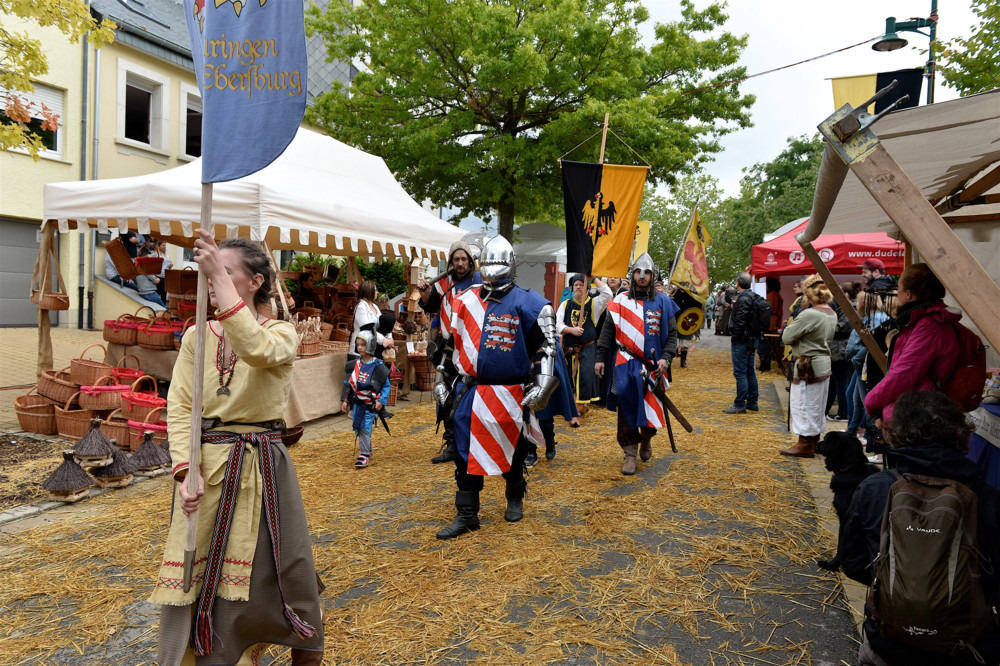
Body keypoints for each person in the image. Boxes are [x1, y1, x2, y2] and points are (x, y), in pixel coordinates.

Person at [151, 232, 323, 665]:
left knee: (281, 570)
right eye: (209, 274)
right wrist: (185, 470)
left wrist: (218, 281)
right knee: (201, 572)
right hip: (206, 468)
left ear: (255, 282)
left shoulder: (281, 333)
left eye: (226, 273)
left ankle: (292, 648)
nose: (212, 280)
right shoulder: (196, 337)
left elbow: (257, 350)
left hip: (262, 468)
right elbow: (181, 408)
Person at [838, 390, 1000, 666]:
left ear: (896, 433)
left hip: (888, 642)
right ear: (962, 434)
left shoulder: (875, 488)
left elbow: (852, 563)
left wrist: (901, 590)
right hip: (965, 650)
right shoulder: (987, 500)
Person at [434, 235, 558, 538]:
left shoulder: (529, 303)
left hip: (508, 392)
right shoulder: (464, 300)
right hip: (470, 391)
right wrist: (442, 378)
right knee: (464, 454)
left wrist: (542, 385)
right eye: (488, 263)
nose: (492, 269)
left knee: (512, 452)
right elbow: (451, 347)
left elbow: (548, 348)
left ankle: (515, 497)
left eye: (498, 263)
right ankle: (467, 515)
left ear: (511, 264)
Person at [594, 253, 679, 475]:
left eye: (647, 272)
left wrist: (666, 358)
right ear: (633, 275)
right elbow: (607, 333)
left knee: (651, 409)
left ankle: (646, 439)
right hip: (625, 363)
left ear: (652, 276)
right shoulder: (619, 302)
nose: (643, 276)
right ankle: (630, 453)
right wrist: (600, 358)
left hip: (654, 366)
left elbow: (672, 336)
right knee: (626, 408)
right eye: (639, 272)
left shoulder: (664, 302)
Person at [865, 263, 960, 427]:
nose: (896, 292)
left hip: (917, 417)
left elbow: (904, 373)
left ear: (908, 294)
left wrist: (871, 402)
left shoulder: (929, 326)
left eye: (899, 288)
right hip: (915, 411)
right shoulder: (922, 321)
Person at [417, 239, 481, 464]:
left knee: (471, 397)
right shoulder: (442, 283)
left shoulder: (479, 282)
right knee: (445, 396)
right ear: (451, 262)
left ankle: (474, 443)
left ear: (470, 261)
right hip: (447, 348)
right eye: (457, 259)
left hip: (472, 348)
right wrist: (425, 296)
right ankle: (452, 444)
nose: (461, 263)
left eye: (464, 259)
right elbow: (432, 306)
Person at [780, 274, 837, 457]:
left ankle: (805, 444)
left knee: (803, 403)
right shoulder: (830, 312)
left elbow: (787, 336)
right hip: (821, 363)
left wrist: (796, 334)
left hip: (808, 365)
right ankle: (812, 442)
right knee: (816, 404)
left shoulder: (811, 314)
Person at [557, 274, 612, 417]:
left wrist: (593, 277)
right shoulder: (565, 304)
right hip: (569, 349)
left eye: (582, 284)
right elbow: (557, 325)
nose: (578, 287)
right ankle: (573, 403)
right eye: (576, 285)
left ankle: (580, 405)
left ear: (587, 288)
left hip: (587, 347)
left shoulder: (594, 304)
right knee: (570, 376)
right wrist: (571, 330)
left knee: (585, 377)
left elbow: (608, 294)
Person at [341, 331, 391, 469]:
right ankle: (368, 450)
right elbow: (349, 384)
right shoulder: (355, 364)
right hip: (357, 403)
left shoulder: (377, 365)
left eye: (363, 344)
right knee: (358, 426)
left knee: (364, 426)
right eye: (358, 345)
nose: (360, 347)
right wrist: (345, 400)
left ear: (370, 344)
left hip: (370, 404)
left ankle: (364, 455)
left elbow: (386, 386)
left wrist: (381, 401)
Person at [845, 290, 891, 438]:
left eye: (858, 301)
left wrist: (856, 359)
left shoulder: (874, 319)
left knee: (865, 401)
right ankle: (853, 430)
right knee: (856, 398)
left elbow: (872, 344)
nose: (856, 304)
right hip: (861, 363)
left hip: (864, 364)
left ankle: (869, 437)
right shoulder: (875, 317)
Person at [723, 273, 759, 414]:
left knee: (740, 372)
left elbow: (741, 320)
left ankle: (740, 404)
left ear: (738, 283)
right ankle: (752, 402)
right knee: (750, 371)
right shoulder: (753, 297)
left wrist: (736, 336)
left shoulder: (743, 298)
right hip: (752, 338)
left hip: (742, 340)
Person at [350, 279, 396, 361]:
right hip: (360, 350)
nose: (377, 292)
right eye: (375, 290)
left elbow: (382, 324)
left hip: (372, 347)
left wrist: (389, 339)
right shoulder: (361, 307)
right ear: (369, 291)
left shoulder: (375, 306)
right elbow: (368, 329)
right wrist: (384, 340)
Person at [825, 296, 853, 422]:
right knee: (835, 382)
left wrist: (825, 326)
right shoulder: (844, 310)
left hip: (840, 352)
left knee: (841, 382)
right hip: (837, 351)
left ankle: (843, 413)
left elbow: (840, 329)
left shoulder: (848, 312)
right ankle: (826, 410)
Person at [757, 277, 782, 371]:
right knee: (767, 344)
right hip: (773, 320)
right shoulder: (777, 295)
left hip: (769, 321)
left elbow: (767, 309)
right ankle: (765, 363)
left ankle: (765, 364)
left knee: (764, 344)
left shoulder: (772, 295)